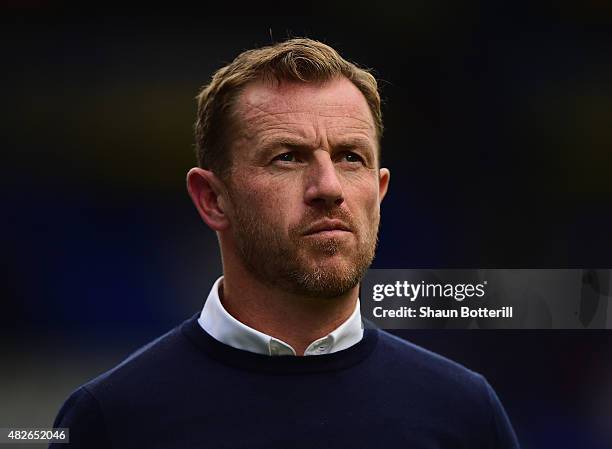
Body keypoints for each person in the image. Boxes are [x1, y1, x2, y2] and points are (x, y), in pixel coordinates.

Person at [50, 38, 520, 449]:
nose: (329, 186)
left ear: (379, 193)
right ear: (213, 199)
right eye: (288, 157)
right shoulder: (112, 418)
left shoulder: (464, 412)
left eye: (350, 157)